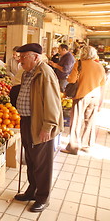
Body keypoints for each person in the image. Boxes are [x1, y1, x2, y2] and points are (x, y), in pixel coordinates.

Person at [14, 43, 63, 213]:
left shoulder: (45, 74)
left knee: (42, 163)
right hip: (27, 121)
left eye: (23, 57)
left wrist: (48, 126)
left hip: (40, 123)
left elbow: (53, 103)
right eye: (19, 57)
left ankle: (43, 197)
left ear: (35, 57)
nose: (20, 61)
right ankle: (32, 190)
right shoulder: (29, 72)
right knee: (31, 159)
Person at [61, 46, 106, 155]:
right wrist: (101, 102)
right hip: (95, 97)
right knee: (90, 121)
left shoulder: (79, 64)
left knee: (76, 121)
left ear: (83, 53)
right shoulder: (100, 67)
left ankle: (73, 147)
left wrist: (68, 78)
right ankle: (87, 146)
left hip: (81, 96)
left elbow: (71, 79)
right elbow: (102, 85)